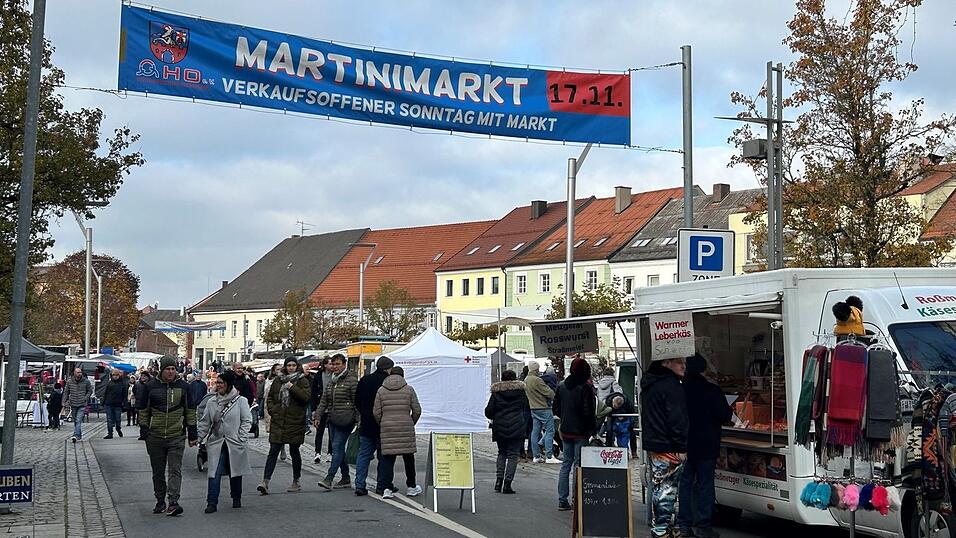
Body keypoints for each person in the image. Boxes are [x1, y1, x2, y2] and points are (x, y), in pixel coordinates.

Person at [678, 355, 732, 538]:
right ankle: (703, 525)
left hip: (684, 444)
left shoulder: (679, 390)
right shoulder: (712, 390)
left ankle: (684, 525)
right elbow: (725, 415)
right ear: (703, 369)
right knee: (705, 485)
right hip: (707, 444)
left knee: (685, 484)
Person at [138, 356, 198, 516]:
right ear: (161, 370)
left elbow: (190, 411)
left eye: (173, 369)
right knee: (158, 471)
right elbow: (143, 410)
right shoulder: (150, 387)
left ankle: (173, 502)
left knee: (175, 470)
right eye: (167, 369)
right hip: (155, 435)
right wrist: (144, 430)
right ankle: (160, 500)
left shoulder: (184, 387)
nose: (171, 372)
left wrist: (192, 433)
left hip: (176, 435)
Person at [641, 356, 689, 538]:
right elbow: (677, 419)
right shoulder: (671, 385)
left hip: (655, 442)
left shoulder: (650, 384)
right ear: (666, 363)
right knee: (667, 489)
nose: (684, 366)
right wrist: (681, 447)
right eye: (679, 362)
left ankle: (663, 527)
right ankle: (661, 529)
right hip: (668, 444)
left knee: (660, 486)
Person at [198, 370, 253, 513]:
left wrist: (241, 437)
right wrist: (198, 437)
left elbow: (246, 420)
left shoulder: (241, 401)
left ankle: (236, 498)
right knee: (214, 472)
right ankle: (212, 502)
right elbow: (205, 422)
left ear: (228, 384)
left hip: (234, 442)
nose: (218, 385)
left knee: (235, 472)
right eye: (217, 382)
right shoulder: (212, 402)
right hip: (217, 442)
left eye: (221, 383)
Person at [257, 357, 310, 495]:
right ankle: (265, 482)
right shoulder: (278, 380)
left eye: (293, 365)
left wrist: (292, 387)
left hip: (295, 421)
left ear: (297, 366)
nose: (291, 367)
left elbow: (305, 398)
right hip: (279, 420)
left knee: (294, 451)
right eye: (289, 365)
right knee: (273, 451)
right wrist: (274, 410)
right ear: (285, 366)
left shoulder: (302, 380)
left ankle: (296, 480)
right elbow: (270, 397)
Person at [553, 357, 596, 511]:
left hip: (566, 430)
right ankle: (577, 499)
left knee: (566, 464)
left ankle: (562, 499)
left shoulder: (562, 386)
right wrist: (592, 429)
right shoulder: (585, 387)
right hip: (581, 432)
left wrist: (565, 417)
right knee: (579, 466)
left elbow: (555, 408)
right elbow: (588, 412)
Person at [373, 365, 422, 498]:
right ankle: (411, 487)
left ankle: (387, 488)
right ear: (403, 375)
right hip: (405, 426)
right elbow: (417, 410)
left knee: (388, 459)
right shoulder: (409, 389)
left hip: (387, 427)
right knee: (409, 458)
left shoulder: (381, 390)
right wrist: (411, 421)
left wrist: (383, 422)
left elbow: (376, 412)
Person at [314, 353, 357, 491]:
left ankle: (329, 478)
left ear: (344, 364)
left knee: (337, 446)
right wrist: (318, 415)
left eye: (338, 364)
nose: (334, 367)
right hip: (332, 418)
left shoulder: (351, 380)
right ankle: (345, 478)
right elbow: (324, 400)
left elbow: (357, 401)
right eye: (333, 364)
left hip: (346, 419)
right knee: (338, 448)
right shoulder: (332, 381)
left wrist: (358, 419)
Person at [484, 369, 529, 494]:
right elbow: (526, 407)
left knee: (502, 453)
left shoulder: (496, 393)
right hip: (517, 426)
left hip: (500, 426)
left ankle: (498, 482)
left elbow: (488, 411)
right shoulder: (521, 392)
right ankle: (507, 484)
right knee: (513, 455)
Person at [353, 356, 393, 496]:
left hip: (367, 423)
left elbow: (357, 400)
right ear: (388, 368)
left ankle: (359, 484)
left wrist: (364, 413)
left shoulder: (365, 380)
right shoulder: (387, 382)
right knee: (384, 456)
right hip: (384, 424)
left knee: (364, 454)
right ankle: (382, 485)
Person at [524, 361, 559, 464]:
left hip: (533, 408)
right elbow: (549, 392)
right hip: (543, 408)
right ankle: (549, 456)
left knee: (535, 432)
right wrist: (554, 396)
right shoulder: (537, 380)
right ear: (536, 369)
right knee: (550, 431)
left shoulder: (526, 379)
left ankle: (536, 456)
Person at [63, 367, 93, 443]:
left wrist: (85, 398)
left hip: (82, 403)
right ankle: (78, 435)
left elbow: (90, 391)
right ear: (74, 373)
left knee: (78, 420)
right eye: (78, 372)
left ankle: (75, 435)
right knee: (75, 421)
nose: (79, 374)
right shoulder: (70, 381)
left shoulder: (86, 381)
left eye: (80, 372)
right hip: (73, 403)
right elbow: (66, 392)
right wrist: (64, 402)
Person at [102, 370, 128, 439]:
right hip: (109, 404)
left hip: (118, 404)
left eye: (117, 375)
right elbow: (105, 393)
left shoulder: (122, 384)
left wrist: (125, 404)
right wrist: (103, 402)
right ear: (112, 376)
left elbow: (124, 395)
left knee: (118, 419)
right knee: (109, 419)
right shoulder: (109, 383)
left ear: (119, 376)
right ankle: (110, 433)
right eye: (114, 375)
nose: (115, 376)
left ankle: (118, 429)